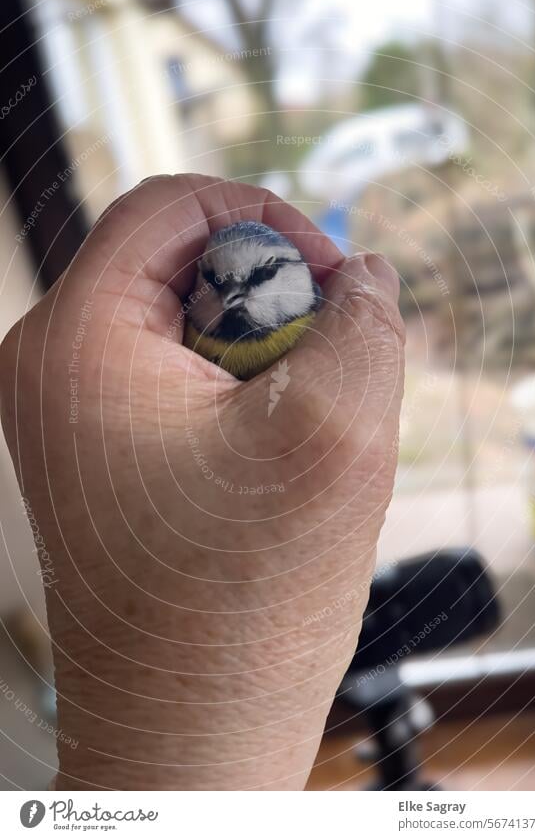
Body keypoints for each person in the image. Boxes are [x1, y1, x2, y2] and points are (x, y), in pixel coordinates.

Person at [0, 174, 404, 790]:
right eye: (216, 283)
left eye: (260, 277)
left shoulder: (315, 331)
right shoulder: (192, 345)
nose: (235, 295)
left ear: (295, 274)